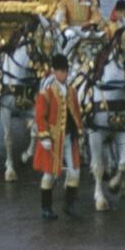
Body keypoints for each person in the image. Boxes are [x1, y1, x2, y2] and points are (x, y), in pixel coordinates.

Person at [33, 54, 83, 219]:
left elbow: (76, 114)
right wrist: (44, 136)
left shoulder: (72, 92)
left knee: (75, 171)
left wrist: (80, 132)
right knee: (49, 174)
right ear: (54, 72)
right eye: (61, 71)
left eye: (66, 71)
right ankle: (46, 208)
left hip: (69, 137)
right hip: (53, 139)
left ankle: (69, 205)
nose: (64, 74)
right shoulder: (46, 93)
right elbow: (40, 117)